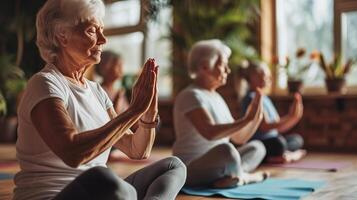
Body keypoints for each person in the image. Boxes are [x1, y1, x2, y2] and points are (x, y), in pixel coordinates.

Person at [13, 0, 186, 199]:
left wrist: (148, 112)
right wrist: (133, 110)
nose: (103, 40)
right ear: (62, 35)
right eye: (92, 31)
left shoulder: (96, 91)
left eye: (102, 30)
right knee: (104, 179)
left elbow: (137, 150)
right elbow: (72, 153)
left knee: (173, 166)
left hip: (99, 192)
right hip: (53, 195)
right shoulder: (44, 83)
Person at [172, 39, 268, 189]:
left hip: (219, 164)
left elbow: (239, 138)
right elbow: (210, 132)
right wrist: (245, 119)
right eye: (223, 65)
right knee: (227, 151)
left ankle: (232, 176)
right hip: (189, 169)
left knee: (258, 147)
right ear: (204, 66)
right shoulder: (190, 95)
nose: (228, 70)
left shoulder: (217, 97)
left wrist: (255, 118)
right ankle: (244, 178)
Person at [240, 61, 306, 163]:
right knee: (279, 143)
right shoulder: (251, 98)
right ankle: (287, 156)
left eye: (268, 76)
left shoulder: (266, 98)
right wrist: (291, 116)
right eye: (264, 76)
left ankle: (280, 156)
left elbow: (278, 127)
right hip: (260, 142)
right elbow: (264, 127)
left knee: (297, 139)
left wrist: (294, 117)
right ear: (253, 77)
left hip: (274, 139)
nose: (268, 79)